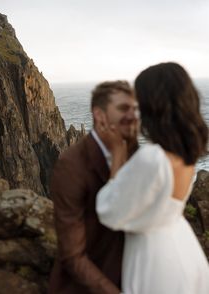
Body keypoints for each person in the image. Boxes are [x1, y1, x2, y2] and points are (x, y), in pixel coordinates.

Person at [96, 62, 209, 294]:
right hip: (184, 249)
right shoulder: (184, 153)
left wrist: (117, 153)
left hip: (155, 259)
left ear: (152, 105)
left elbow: (109, 211)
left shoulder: (153, 158)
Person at [48, 81, 139, 293]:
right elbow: (73, 256)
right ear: (100, 116)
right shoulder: (71, 165)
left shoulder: (132, 149)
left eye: (134, 109)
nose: (133, 116)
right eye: (124, 109)